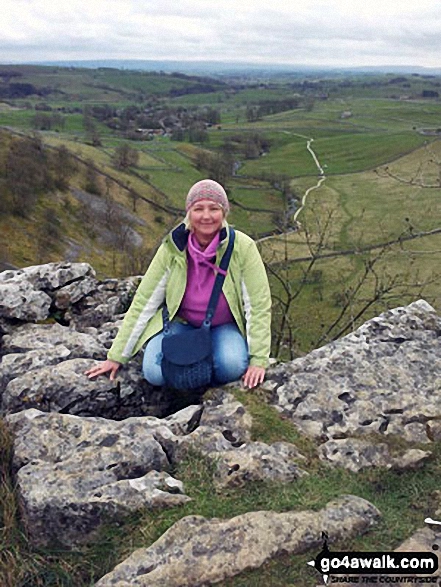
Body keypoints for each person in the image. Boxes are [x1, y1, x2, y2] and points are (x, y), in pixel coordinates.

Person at [85, 179, 271, 389]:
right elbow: (144, 301)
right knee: (154, 372)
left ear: (224, 212)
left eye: (214, 208)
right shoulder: (172, 248)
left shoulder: (243, 248)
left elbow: (258, 304)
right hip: (181, 323)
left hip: (224, 326)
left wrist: (258, 360)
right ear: (189, 212)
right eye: (198, 208)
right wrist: (116, 356)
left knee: (231, 366)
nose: (206, 216)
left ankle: (203, 378)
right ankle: (194, 370)